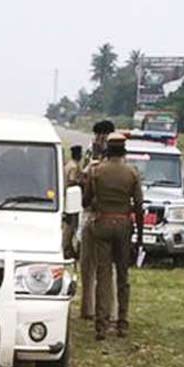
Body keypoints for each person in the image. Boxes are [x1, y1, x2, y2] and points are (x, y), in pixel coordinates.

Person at [84, 133, 144, 340]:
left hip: (102, 224)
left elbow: (86, 200)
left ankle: (101, 324)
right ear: (124, 151)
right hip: (124, 225)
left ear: (107, 151)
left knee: (103, 275)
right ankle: (123, 323)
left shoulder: (96, 171)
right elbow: (139, 205)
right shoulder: (132, 173)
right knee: (123, 275)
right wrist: (141, 235)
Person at [79, 121, 116, 321]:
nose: (99, 139)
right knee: (87, 265)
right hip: (91, 213)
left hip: (105, 214)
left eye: (103, 135)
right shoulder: (89, 154)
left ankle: (106, 309)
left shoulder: (116, 159)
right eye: (98, 135)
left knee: (105, 267)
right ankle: (89, 308)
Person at [62, 145, 84, 259]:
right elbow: (72, 181)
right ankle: (66, 249)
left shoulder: (68, 165)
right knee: (70, 226)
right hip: (71, 199)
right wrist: (81, 182)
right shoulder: (74, 167)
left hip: (66, 198)